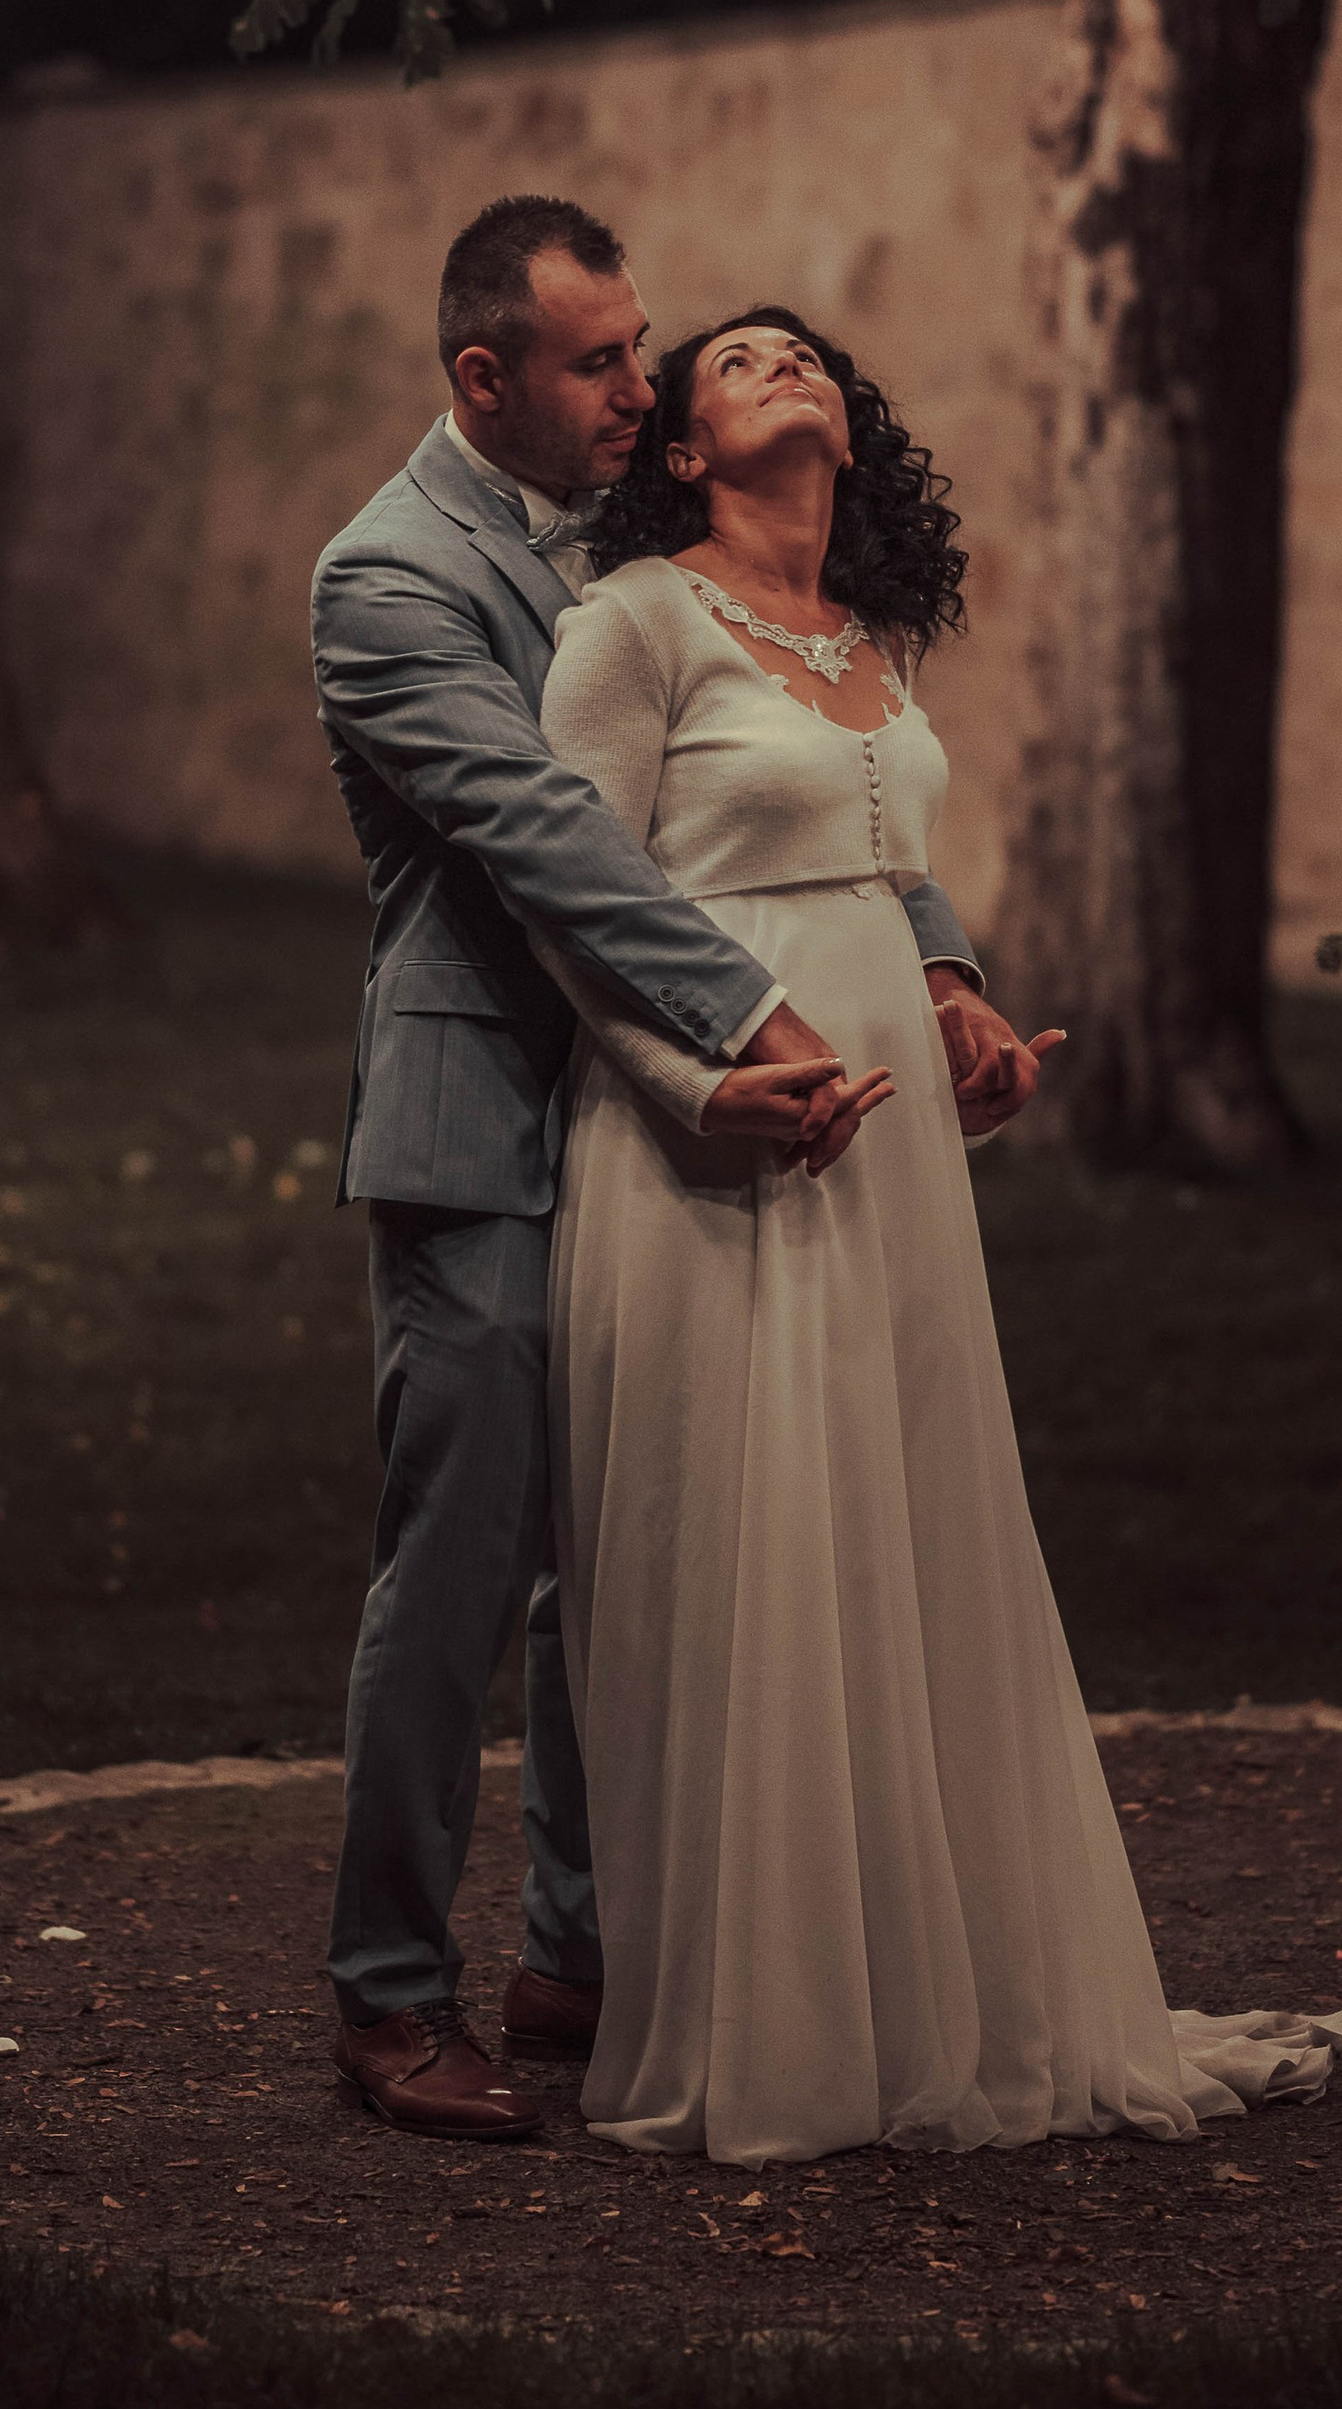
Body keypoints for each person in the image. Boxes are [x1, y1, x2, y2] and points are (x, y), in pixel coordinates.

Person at [536, 303, 1342, 2160]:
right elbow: (568, 905)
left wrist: (955, 1001)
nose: (785, 368)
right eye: (737, 362)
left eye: (803, 353)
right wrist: (697, 1091)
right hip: (708, 1135)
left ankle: (930, 1988)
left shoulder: (864, 640)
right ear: (680, 447)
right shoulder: (635, 628)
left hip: (892, 1147)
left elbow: (882, 856)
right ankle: (767, 2020)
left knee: (896, 1530)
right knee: (746, 1544)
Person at [309, 201, 1043, 2141]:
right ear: (483, 378)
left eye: (644, 352)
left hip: (667, 1116)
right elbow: (546, 830)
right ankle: (388, 1996)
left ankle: (580, 1941)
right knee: (461, 1569)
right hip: (491, 1113)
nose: (636, 387)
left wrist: (934, 965)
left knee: (633, 1547)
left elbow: (807, 745)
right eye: (593, 362)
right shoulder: (388, 574)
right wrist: (762, 1012)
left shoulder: (634, 531)